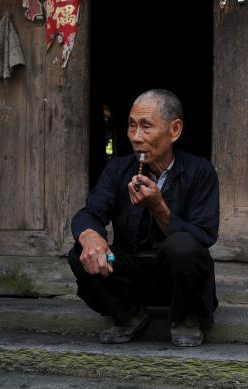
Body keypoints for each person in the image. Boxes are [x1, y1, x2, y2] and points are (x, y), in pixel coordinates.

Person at [69, 89, 219, 347]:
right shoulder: (118, 169)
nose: (136, 137)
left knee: (182, 246)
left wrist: (159, 207)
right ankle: (129, 315)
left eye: (146, 127)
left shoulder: (200, 171)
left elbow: (204, 236)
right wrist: (91, 236)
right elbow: (90, 214)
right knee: (79, 252)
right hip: (132, 274)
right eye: (131, 126)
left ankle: (184, 317)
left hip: (176, 278)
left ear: (174, 130)